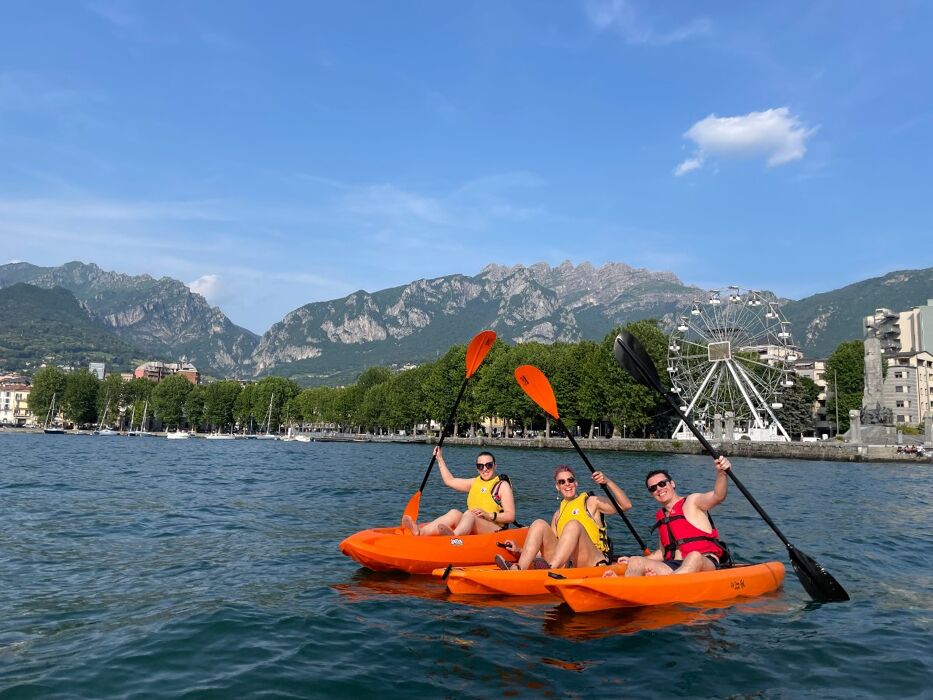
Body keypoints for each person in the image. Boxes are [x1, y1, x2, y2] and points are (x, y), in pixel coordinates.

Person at [605, 456, 732, 577]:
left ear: (672, 483)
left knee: (694, 556)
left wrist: (722, 473)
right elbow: (662, 552)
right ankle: (629, 590)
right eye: (653, 488)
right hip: (673, 565)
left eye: (662, 484)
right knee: (636, 561)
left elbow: (718, 496)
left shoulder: (692, 501)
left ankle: (661, 583)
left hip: (704, 561)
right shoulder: (662, 517)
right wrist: (632, 560)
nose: (659, 489)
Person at [496, 465, 632, 570]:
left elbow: (625, 505)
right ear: (557, 487)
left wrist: (607, 481)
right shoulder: (557, 515)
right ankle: (518, 569)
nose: (567, 484)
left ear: (576, 483)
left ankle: (550, 569)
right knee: (538, 523)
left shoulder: (591, 502)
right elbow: (552, 548)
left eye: (570, 480)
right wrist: (519, 550)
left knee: (573, 524)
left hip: (594, 560)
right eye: (562, 482)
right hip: (567, 563)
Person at [402, 447, 515, 536]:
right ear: (477, 468)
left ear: (495, 466)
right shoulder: (474, 482)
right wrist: (440, 459)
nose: (485, 469)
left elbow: (510, 516)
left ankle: (454, 537)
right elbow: (449, 481)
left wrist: (489, 515)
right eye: (480, 466)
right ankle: (421, 532)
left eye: (488, 465)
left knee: (469, 514)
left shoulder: (502, 486)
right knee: (454, 513)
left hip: (495, 529)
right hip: (475, 524)